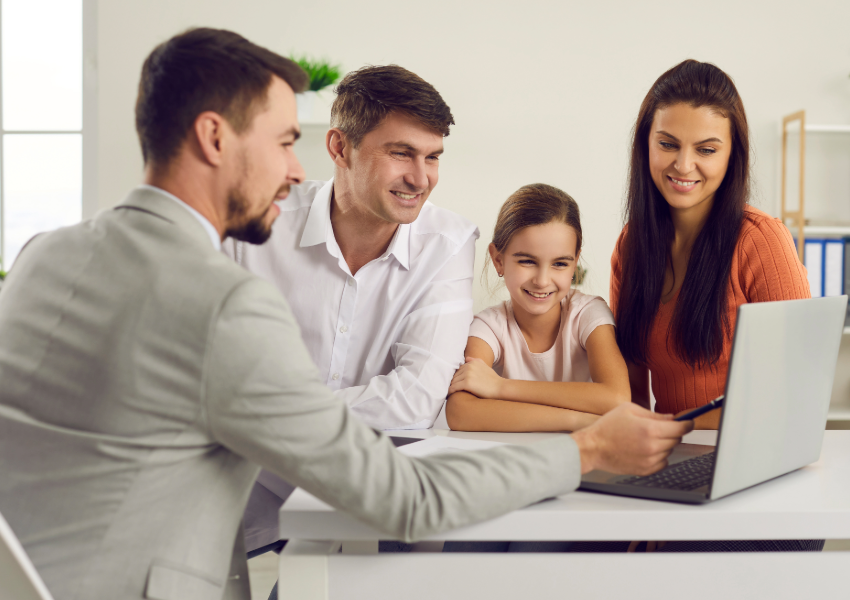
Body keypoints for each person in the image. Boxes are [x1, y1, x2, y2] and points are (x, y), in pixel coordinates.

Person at [0, 28, 693, 600]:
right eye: (279, 142)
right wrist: (589, 450)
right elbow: (408, 499)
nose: (296, 171)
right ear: (214, 138)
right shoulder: (224, 303)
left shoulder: (43, 255)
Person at [223, 64, 481, 553]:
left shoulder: (448, 243)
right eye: (401, 153)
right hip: (247, 488)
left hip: (372, 494)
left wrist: (268, 418)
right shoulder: (257, 225)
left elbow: (416, 399)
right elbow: (215, 379)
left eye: (432, 157)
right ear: (340, 148)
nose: (420, 178)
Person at [610, 59, 816, 552]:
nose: (684, 166)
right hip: (678, 463)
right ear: (645, 144)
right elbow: (633, 394)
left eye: (706, 149)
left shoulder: (760, 241)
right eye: (668, 144)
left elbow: (793, 401)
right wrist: (642, 495)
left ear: (731, 156)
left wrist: (672, 429)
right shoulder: (632, 246)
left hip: (765, 474)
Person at [445, 183, 630, 432]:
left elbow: (617, 398)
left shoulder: (588, 313)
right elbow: (460, 413)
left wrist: (501, 387)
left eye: (560, 264)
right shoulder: (488, 327)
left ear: (575, 263)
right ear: (498, 260)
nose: (542, 280)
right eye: (527, 261)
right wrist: (581, 420)